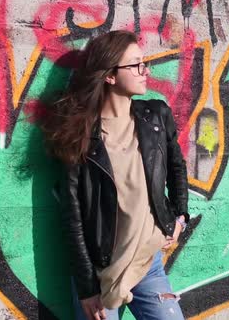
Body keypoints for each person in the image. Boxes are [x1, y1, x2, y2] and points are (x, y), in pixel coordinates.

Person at [40, 30, 189, 320]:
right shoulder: (81, 135)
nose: (145, 71)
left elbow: (176, 168)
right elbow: (73, 218)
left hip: (149, 265)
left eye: (143, 63)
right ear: (109, 75)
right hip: (100, 274)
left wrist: (180, 217)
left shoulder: (156, 116)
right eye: (135, 65)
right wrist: (86, 288)